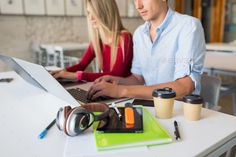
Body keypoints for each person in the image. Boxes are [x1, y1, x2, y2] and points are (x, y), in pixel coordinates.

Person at [87, 0, 206, 100]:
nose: (138, 5)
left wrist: (121, 90)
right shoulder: (139, 33)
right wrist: (117, 81)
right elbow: (138, 79)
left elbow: (184, 87)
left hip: (179, 110)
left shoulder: (188, 26)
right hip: (149, 106)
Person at [51, 0, 133, 82]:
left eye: (94, 12)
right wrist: (62, 72)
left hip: (122, 92)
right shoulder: (98, 40)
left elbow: (114, 75)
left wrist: (77, 75)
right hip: (106, 89)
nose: (90, 18)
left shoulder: (125, 38)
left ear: (106, 12)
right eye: (88, 13)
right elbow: (82, 65)